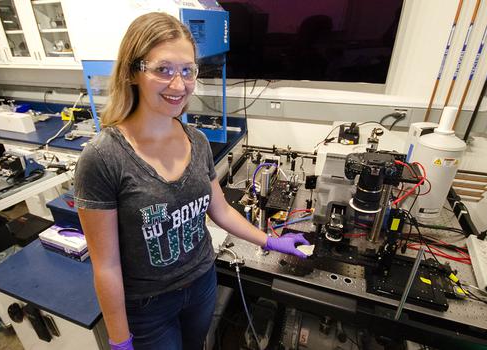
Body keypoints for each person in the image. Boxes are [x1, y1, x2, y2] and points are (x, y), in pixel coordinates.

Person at [74, 12, 310, 350]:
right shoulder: (103, 157)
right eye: (163, 69)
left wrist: (270, 242)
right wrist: (119, 338)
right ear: (133, 72)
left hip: (202, 282)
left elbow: (220, 210)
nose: (179, 84)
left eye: (188, 70)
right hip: (148, 305)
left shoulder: (196, 140)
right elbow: (107, 266)